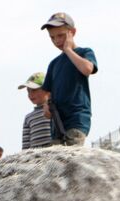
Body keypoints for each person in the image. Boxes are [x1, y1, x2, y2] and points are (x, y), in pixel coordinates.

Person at [40, 12, 98, 146]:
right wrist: (45, 106)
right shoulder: (54, 64)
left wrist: (68, 50)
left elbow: (87, 69)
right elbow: (47, 92)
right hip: (57, 123)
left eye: (61, 35)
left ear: (72, 32)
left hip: (76, 119)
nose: (57, 41)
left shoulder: (84, 52)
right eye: (52, 37)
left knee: (71, 157)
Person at [18, 72, 52, 149]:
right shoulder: (28, 117)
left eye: (34, 90)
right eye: (28, 91)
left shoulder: (54, 111)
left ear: (47, 89)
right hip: (36, 156)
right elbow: (26, 145)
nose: (30, 95)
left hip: (53, 154)